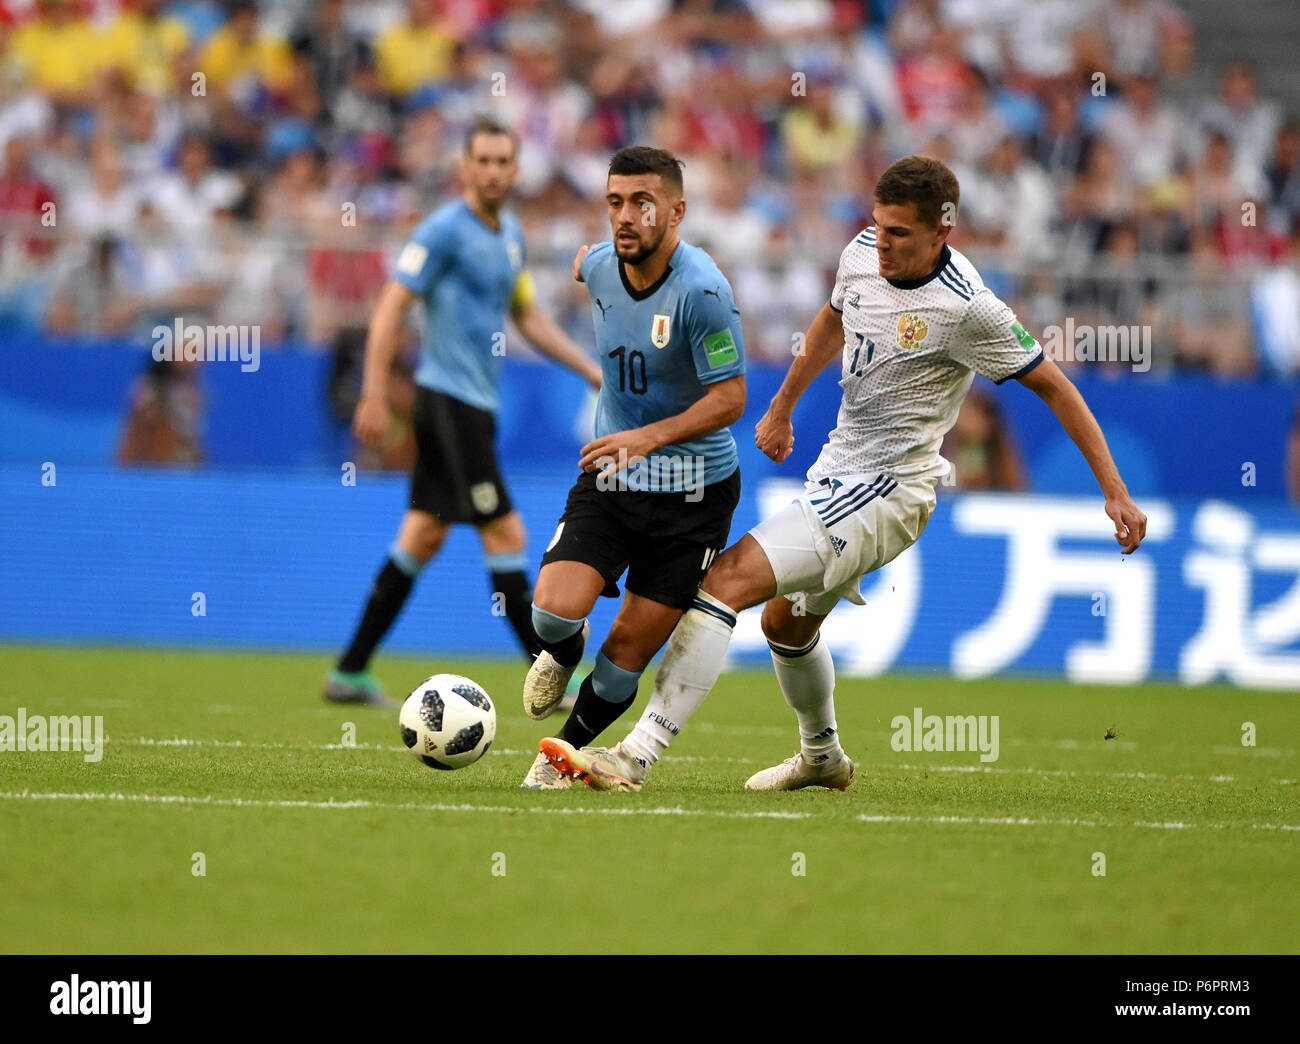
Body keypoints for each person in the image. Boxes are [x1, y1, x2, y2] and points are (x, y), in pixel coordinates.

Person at [540, 154, 1148, 792]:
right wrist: (782, 405)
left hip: (891, 490)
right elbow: (832, 317)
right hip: (837, 470)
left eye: (899, 234)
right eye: (878, 226)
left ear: (943, 232)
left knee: (725, 580)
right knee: (786, 623)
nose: (881, 245)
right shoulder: (861, 252)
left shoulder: (971, 309)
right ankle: (822, 757)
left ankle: (634, 756)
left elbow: (1056, 389)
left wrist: (1115, 492)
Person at [325, 118, 601, 705]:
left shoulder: (510, 235)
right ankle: (550, 673)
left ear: (516, 169)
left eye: (505, 161)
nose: (495, 171)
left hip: (476, 407)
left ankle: (349, 672)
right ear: (465, 167)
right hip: (446, 402)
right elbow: (390, 306)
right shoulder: (444, 230)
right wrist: (374, 392)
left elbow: (525, 315)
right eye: (485, 161)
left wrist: (587, 367)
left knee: (422, 535)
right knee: (505, 528)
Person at [519, 145, 747, 789]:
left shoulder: (704, 293)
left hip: (693, 496)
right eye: (615, 202)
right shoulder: (597, 264)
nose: (625, 217)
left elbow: (731, 399)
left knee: (623, 661)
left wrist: (648, 437)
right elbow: (580, 265)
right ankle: (561, 655)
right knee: (552, 615)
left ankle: (559, 756)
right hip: (614, 477)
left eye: (641, 203)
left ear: (676, 211)